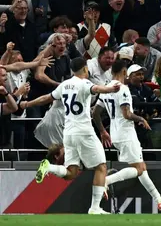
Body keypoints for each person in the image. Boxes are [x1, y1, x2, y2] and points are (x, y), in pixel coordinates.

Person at [20, 57, 121, 214]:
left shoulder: (64, 85)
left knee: (71, 172)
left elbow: (46, 98)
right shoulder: (85, 83)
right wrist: (111, 89)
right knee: (101, 166)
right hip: (84, 131)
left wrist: (28, 103)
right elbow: (97, 89)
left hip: (68, 133)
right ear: (85, 69)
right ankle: (95, 208)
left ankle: (49, 167)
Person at [93, 59, 161, 212]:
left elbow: (95, 112)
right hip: (126, 132)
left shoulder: (106, 88)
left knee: (141, 168)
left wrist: (102, 131)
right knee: (138, 169)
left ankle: (159, 200)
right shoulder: (123, 89)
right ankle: (106, 181)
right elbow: (127, 114)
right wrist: (141, 118)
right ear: (125, 72)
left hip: (115, 132)